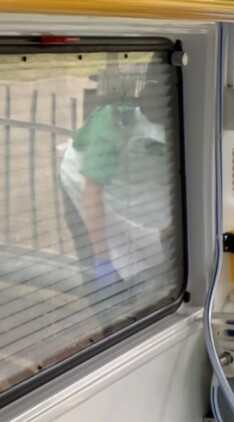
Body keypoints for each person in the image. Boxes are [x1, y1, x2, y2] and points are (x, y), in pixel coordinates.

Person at [59, 70, 175, 291]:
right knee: (102, 277)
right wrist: (102, 258)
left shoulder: (187, 122)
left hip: (133, 188)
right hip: (82, 187)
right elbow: (91, 190)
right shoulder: (113, 121)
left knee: (148, 264)